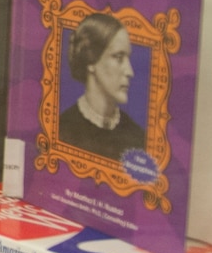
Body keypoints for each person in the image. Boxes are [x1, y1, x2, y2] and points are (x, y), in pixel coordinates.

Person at [58, 12, 146, 161]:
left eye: (128, 58)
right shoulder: (62, 129)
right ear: (91, 60)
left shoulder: (138, 137)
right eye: (118, 57)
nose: (130, 72)